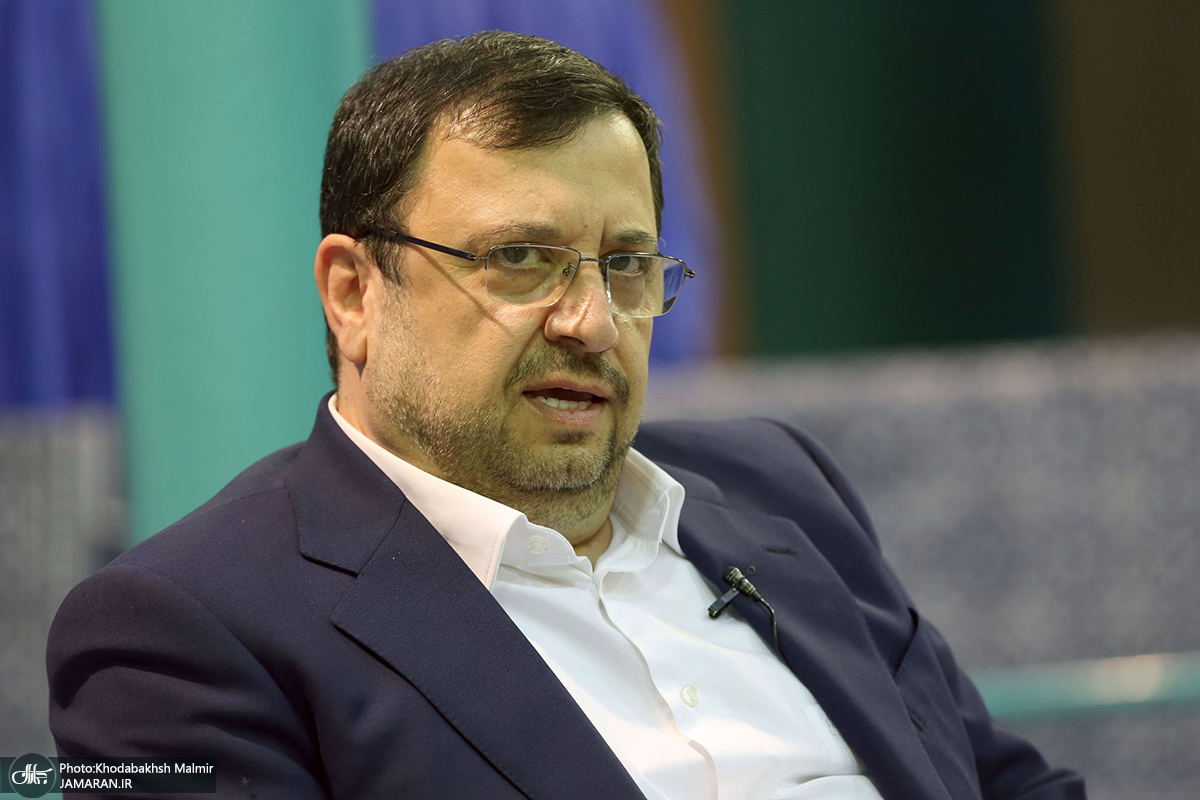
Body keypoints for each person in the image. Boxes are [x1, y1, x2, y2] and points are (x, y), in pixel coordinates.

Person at [48, 31, 1085, 800]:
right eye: (519, 259)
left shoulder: (780, 485)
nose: (590, 322)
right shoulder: (182, 632)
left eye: (626, 265)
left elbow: (1004, 782)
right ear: (355, 294)